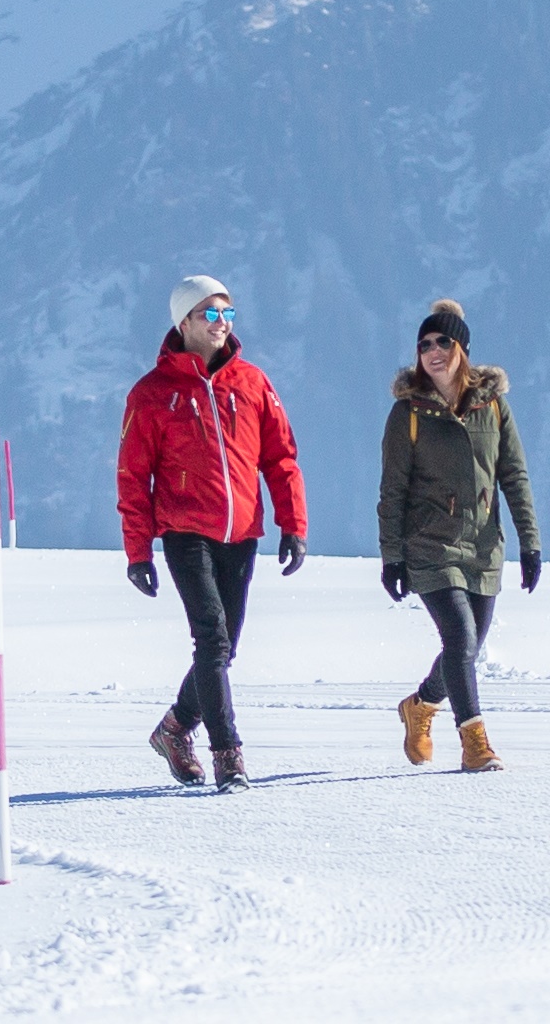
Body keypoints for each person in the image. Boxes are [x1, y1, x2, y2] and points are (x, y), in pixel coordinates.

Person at [116, 274, 307, 790]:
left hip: (241, 529)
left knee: (225, 647)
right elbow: (133, 476)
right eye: (210, 314)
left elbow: (280, 457)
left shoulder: (252, 382)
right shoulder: (152, 393)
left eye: (228, 315)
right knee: (212, 639)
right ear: (184, 323)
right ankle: (228, 753)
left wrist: (293, 524)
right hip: (184, 530)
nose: (222, 324)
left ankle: (175, 728)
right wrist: (139, 552)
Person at [380, 295, 540, 774]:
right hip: (430, 545)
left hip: (484, 548)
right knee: (461, 639)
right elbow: (392, 491)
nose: (432, 351)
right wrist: (392, 556)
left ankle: (421, 706)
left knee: (465, 648)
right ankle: (476, 743)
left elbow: (513, 475)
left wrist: (530, 543)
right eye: (424, 343)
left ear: (462, 348)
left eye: (442, 341)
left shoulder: (493, 408)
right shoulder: (407, 414)